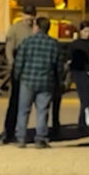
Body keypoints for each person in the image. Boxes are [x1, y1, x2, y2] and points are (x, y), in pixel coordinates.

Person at [13, 17, 64, 149]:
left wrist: (17, 77)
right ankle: (41, 138)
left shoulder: (27, 42)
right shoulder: (54, 44)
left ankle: (21, 138)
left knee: (23, 110)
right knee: (42, 111)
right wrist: (59, 81)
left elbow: (19, 62)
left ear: (36, 27)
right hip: (46, 81)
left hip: (27, 80)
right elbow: (59, 66)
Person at [1, 5, 36, 144]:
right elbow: (9, 48)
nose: (29, 17)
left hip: (31, 67)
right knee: (15, 101)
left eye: (31, 15)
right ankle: (9, 131)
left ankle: (22, 131)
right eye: (27, 14)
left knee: (28, 102)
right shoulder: (15, 28)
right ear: (22, 15)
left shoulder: (35, 29)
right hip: (18, 66)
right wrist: (12, 64)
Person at [68, 21, 89, 134]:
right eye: (85, 31)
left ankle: (84, 123)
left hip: (88, 72)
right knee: (85, 99)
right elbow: (69, 58)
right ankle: (84, 123)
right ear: (81, 31)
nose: (87, 34)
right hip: (78, 72)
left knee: (86, 99)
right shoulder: (75, 44)